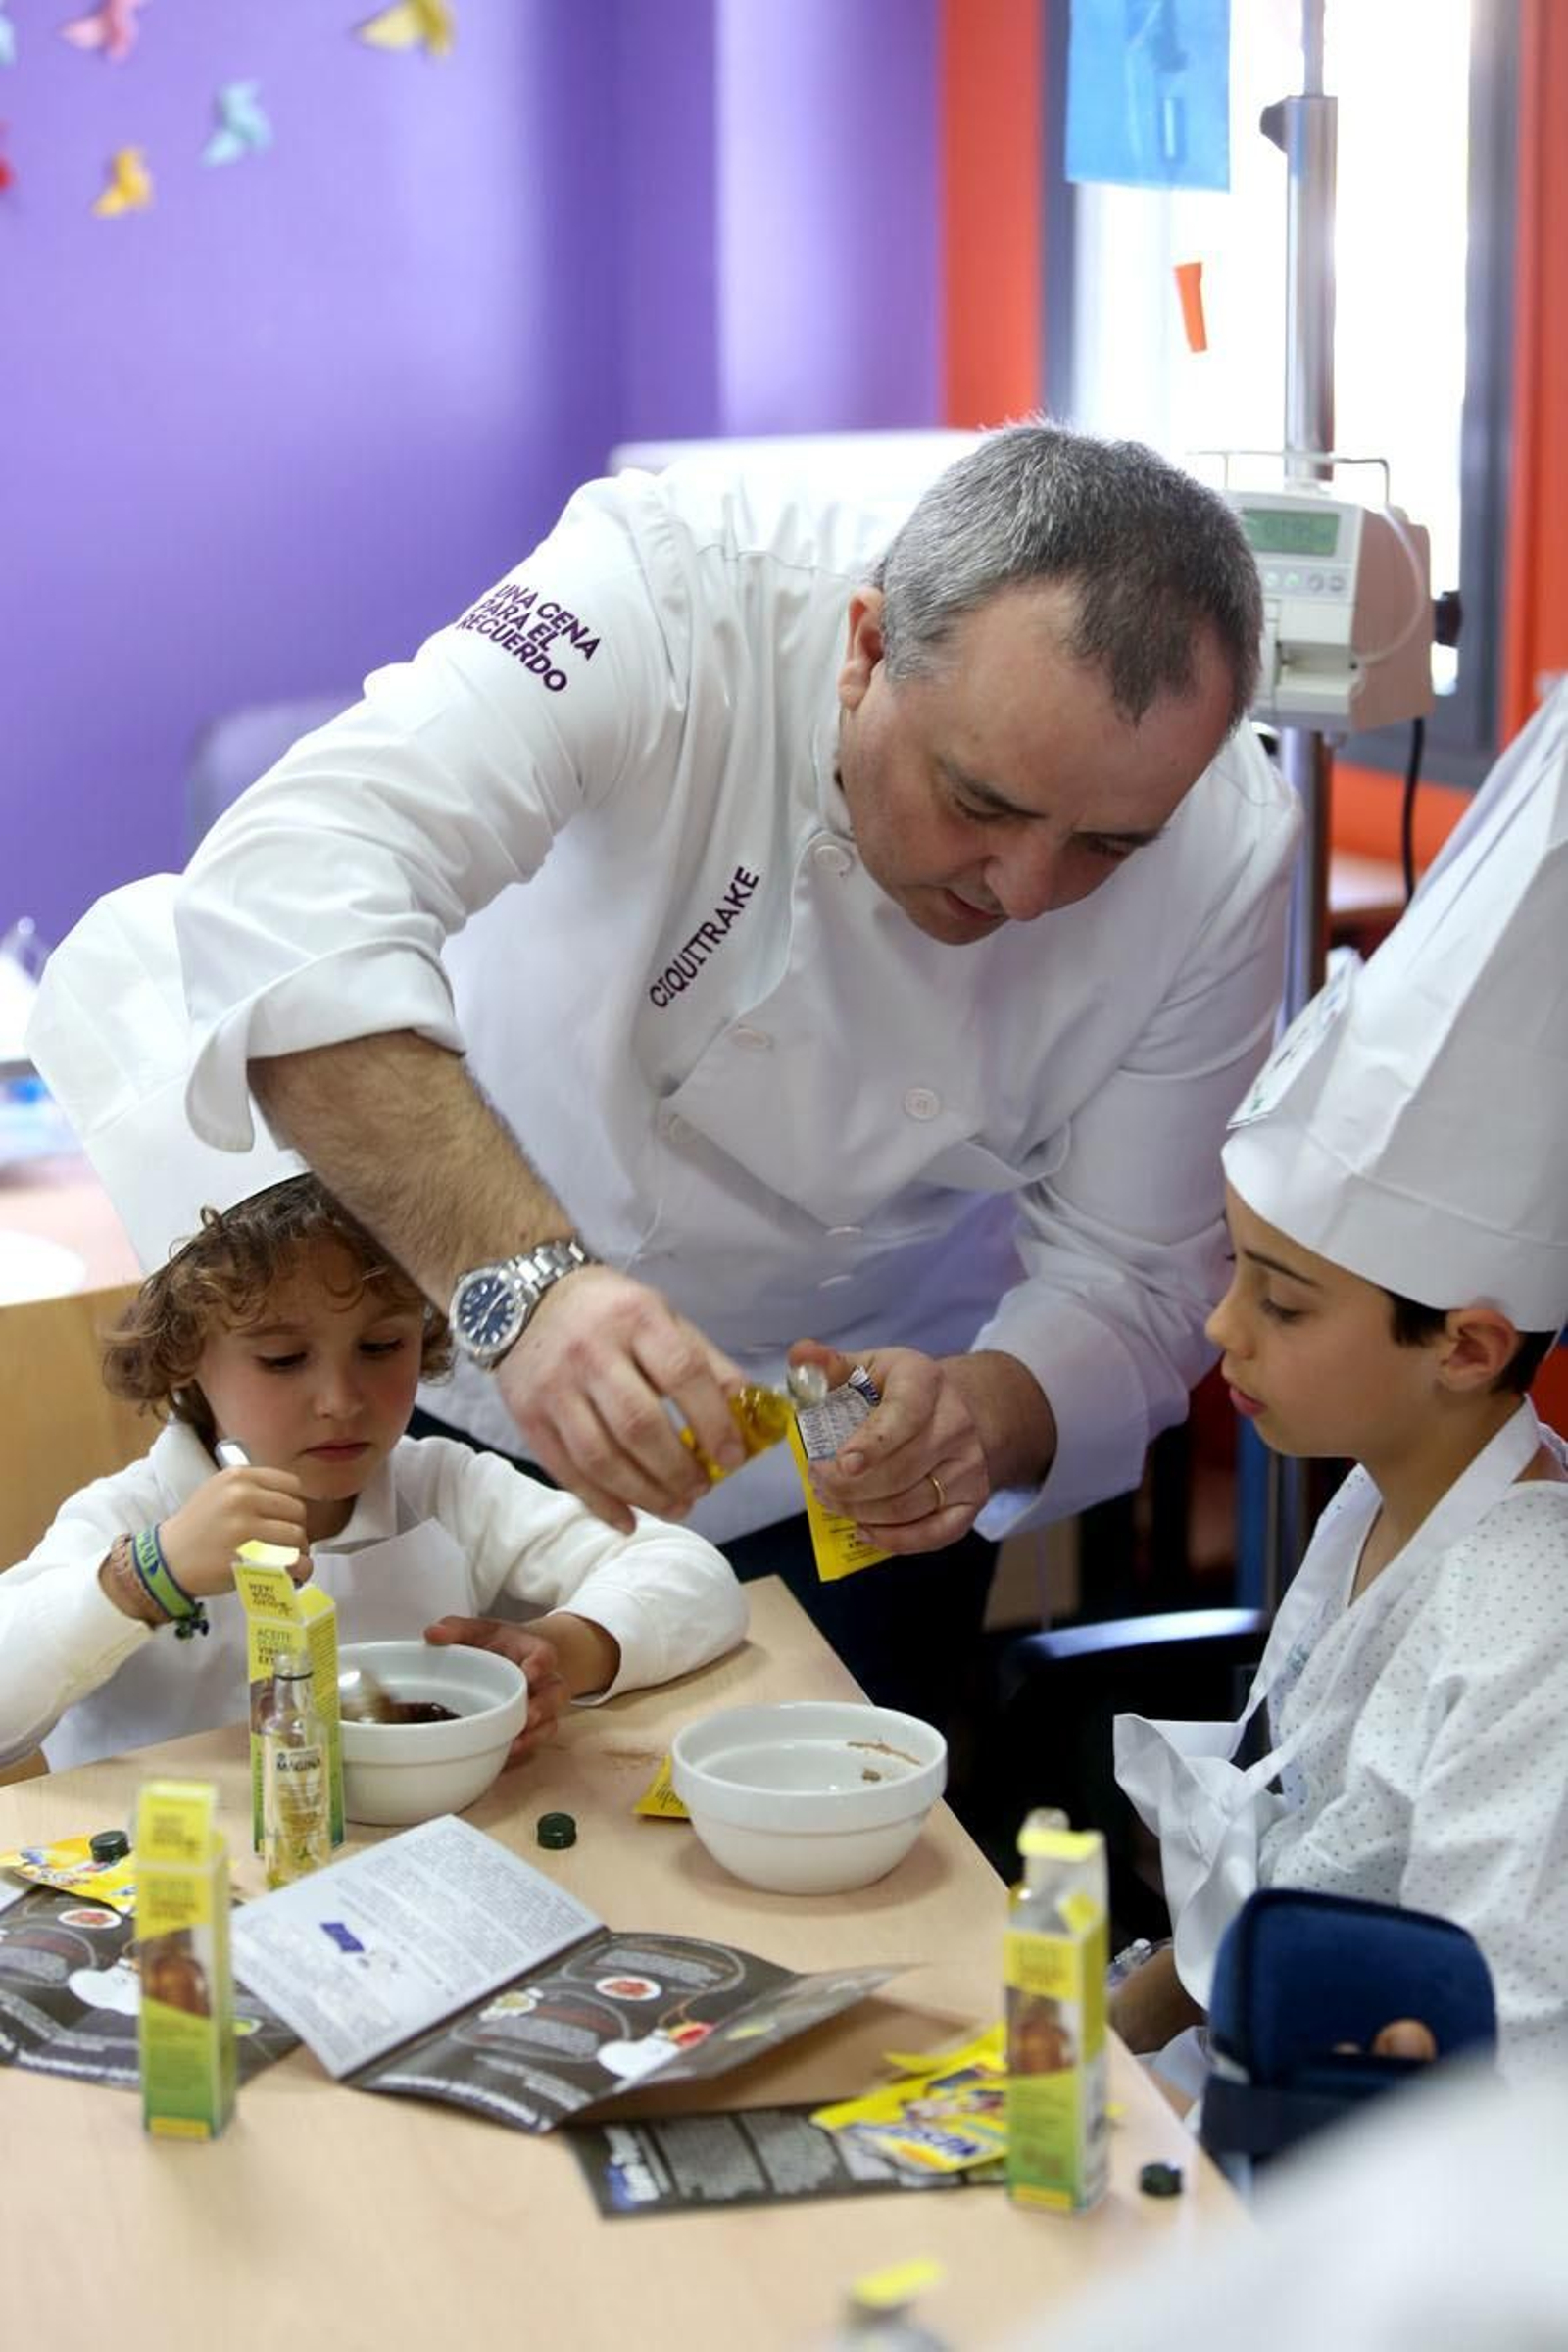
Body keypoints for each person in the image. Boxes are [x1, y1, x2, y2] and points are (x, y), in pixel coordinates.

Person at [170, 422, 1300, 1726]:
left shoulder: (1227, 850)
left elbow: (1138, 1279)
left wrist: (983, 1415)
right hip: (461, 1353)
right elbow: (286, 885)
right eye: (980, 804)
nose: (1028, 891)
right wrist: (520, 1288)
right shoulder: (671, 586)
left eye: (1107, 847)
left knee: (835, 1831)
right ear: (865, 650)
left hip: (848, 1467)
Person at [5, 880, 747, 1775]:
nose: (340, 1399)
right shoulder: (132, 1519)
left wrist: (565, 1645)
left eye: (383, 1345)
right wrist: (147, 1577)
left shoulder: (444, 1491)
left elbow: (694, 1577)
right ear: (185, 1350)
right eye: (283, 1358)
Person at [1110, 682, 1568, 2082]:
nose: (1222, 1328)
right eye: (1237, 1270)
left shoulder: (1529, 1626)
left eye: (1283, 1300)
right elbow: (1288, 1837)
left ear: (1466, 1346)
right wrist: (1095, 2031)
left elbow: (1486, 2050)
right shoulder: (1382, 1491)